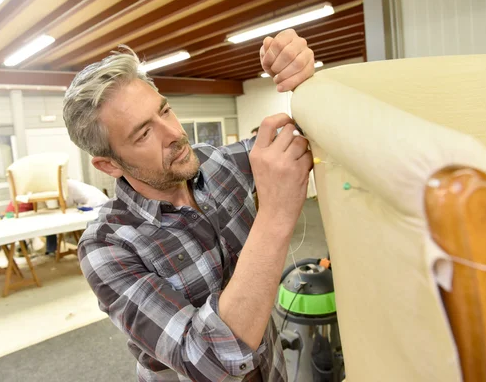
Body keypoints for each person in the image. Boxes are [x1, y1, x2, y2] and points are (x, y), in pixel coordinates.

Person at [63, 29, 315, 381]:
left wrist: (304, 77)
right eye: (144, 133)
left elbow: (312, 137)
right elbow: (208, 359)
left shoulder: (217, 165)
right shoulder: (106, 246)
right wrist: (275, 215)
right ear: (109, 164)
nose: (174, 134)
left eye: (165, 110)